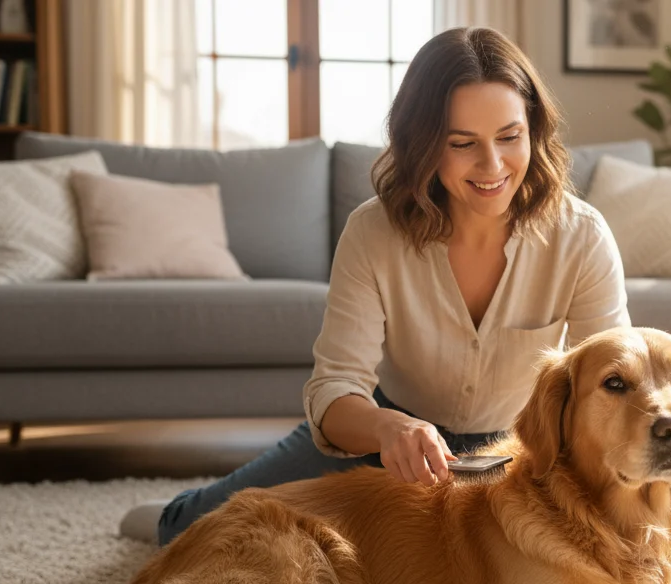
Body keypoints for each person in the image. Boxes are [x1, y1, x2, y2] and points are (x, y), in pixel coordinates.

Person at [120, 26, 629, 546]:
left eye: (509, 136)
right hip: (379, 440)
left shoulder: (581, 237)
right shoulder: (373, 231)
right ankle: (173, 515)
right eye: (462, 144)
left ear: (533, 130)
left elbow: (616, 382)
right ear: (425, 145)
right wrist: (390, 429)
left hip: (518, 455)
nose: (493, 165)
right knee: (204, 532)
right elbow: (335, 387)